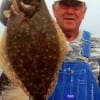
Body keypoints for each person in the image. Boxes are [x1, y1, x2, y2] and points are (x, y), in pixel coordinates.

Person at [0, 0, 100, 100]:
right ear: (53, 9)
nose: (70, 11)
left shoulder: (97, 45)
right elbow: (4, 16)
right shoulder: (30, 28)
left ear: (84, 11)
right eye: (64, 5)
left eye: (76, 6)